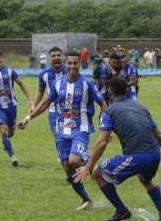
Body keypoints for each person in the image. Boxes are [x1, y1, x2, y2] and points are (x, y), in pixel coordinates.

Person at [74, 77, 161, 221]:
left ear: (110, 93)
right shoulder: (141, 107)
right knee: (145, 179)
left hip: (137, 157)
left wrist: (87, 167)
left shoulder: (108, 112)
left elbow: (101, 142)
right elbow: (159, 134)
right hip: (155, 154)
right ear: (127, 90)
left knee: (97, 173)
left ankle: (121, 211)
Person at [17, 50, 107, 210]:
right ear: (67, 64)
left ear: (80, 64)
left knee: (74, 161)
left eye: (75, 63)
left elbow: (103, 104)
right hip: (61, 130)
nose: (72, 66)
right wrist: (27, 119)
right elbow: (45, 103)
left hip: (81, 128)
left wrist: (105, 125)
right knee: (66, 166)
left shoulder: (87, 83)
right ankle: (87, 200)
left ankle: (87, 162)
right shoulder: (57, 84)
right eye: (70, 63)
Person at [31, 46, 67, 134]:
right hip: (53, 112)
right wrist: (34, 106)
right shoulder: (44, 74)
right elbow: (40, 90)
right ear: (50, 58)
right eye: (53, 56)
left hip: (70, 110)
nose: (56, 57)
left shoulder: (70, 71)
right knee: (59, 139)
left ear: (62, 57)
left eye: (58, 55)